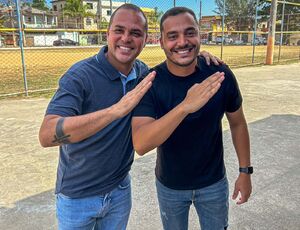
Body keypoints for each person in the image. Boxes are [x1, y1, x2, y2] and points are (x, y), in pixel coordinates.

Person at [39, 4, 221, 230]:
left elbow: (178, 64)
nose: (126, 38)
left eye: (135, 33)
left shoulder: (145, 75)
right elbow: (47, 135)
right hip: (77, 196)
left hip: (119, 191)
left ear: (146, 40)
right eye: (119, 30)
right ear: (108, 34)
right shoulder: (80, 76)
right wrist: (115, 110)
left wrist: (199, 57)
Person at [132, 7, 252, 230]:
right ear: (161, 42)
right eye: (172, 36)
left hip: (214, 183)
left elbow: (238, 123)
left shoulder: (219, 74)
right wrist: (185, 106)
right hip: (170, 186)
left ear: (199, 36)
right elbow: (141, 143)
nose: (182, 42)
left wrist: (245, 172)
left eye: (190, 33)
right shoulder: (151, 82)